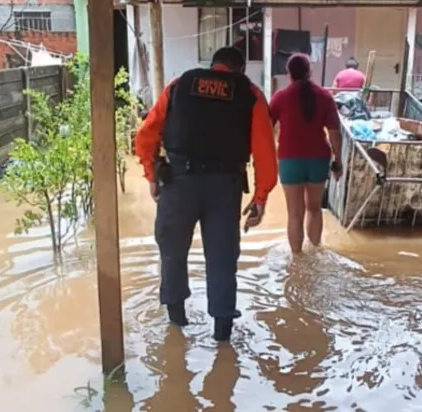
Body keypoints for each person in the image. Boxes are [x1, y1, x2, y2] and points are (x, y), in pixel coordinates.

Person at [134, 47, 278, 342]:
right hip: (225, 188)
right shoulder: (249, 93)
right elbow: (265, 152)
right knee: (222, 259)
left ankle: (176, 326)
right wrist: (260, 198)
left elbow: (146, 135)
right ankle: (222, 335)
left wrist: (151, 175)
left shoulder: (180, 85)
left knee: (172, 252)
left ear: (212, 66)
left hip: (178, 182)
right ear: (240, 70)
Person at [269, 53, 343, 253]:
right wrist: (338, 160)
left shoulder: (280, 97)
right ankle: (315, 252)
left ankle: (297, 261)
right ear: (309, 72)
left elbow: (266, 128)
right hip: (318, 158)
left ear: (289, 73)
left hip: (289, 159)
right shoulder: (325, 96)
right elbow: (335, 132)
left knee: (294, 214)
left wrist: (267, 156)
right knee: (314, 208)